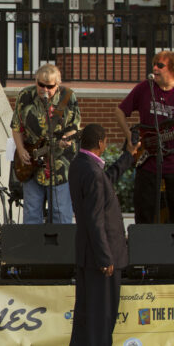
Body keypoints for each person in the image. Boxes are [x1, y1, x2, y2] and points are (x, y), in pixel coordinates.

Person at [69, 123, 137, 345]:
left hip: (87, 255)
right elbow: (95, 220)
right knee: (101, 320)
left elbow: (106, 181)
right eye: (106, 141)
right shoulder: (92, 172)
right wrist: (105, 257)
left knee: (86, 319)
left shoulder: (79, 165)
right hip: (101, 259)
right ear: (100, 142)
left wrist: (128, 156)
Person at [11, 64, 80, 224]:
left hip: (59, 165)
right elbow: (16, 127)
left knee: (60, 214)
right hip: (32, 164)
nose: (45, 89)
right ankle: (33, 247)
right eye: (41, 84)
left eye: (50, 86)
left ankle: (59, 249)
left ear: (58, 84)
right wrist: (21, 150)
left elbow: (74, 127)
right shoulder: (25, 95)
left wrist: (66, 140)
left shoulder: (68, 97)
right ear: (36, 81)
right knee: (31, 213)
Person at [115, 50, 174, 224]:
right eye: (154, 64)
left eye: (160, 65)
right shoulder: (144, 88)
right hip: (146, 161)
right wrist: (129, 138)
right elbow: (119, 112)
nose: (155, 68)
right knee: (144, 212)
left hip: (172, 163)